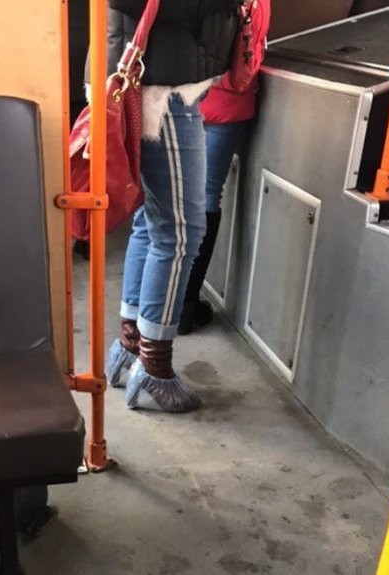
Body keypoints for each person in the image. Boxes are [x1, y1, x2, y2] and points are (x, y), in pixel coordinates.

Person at [102, 0, 240, 413]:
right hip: (161, 89)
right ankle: (154, 368)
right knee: (180, 233)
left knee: (153, 224)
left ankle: (130, 346)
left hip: (151, 76)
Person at [179, 0, 271, 335]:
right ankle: (186, 306)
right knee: (206, 197)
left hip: (180, 97)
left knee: (165, 200)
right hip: (226, 103)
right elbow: (253, 44)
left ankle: (156, 304)